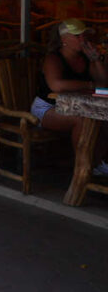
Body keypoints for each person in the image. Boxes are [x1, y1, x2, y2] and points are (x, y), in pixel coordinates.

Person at [31, 18, 108, 175]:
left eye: (84, 36)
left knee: (102, 116)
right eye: (77, 36)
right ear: (64, 39)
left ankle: (99, 162)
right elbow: (56, 85)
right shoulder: (53, 58)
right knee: (82, 119)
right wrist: (89, 85)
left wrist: (96, 60)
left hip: (78, 104)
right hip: (48, 107)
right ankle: (82, 168)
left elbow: (102, 84)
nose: (83, 40)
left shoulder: (85, 58)